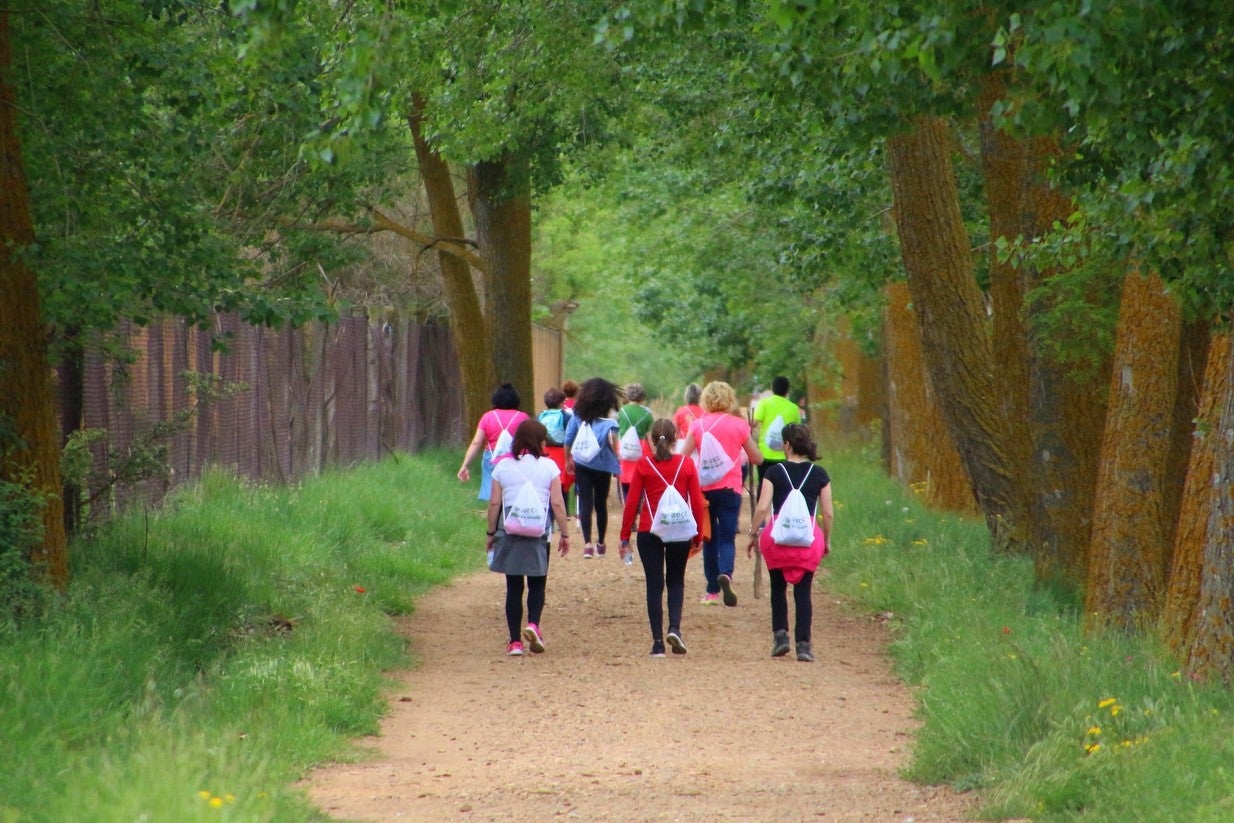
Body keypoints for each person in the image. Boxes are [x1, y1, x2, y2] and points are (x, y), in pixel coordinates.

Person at [746, 423, 833, 662]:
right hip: (808, 541)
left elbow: (763, 507)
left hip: (778, 540)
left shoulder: (774, 472)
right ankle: (804, 645)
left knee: (777, 588)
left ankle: (781, 636)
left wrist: (753, 534)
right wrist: (826, 540)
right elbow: (828, 512)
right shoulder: (820, 474)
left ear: (787, 444)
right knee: (803, 593)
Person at [619, 419, 706, 657]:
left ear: (651, 439)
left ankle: (657, 642)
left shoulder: (644, 465)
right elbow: (697, 502)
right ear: (676, 438)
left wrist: (625, 535)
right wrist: (698, 533)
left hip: (650, 530)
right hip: (679, 530)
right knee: (676, 581)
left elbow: (632, 503)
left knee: (654, 584)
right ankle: (675, 628)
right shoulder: (686, 464)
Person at [486, 419, 571, 656]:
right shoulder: (549, 467)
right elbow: (557, 502)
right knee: (537, 582)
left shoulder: (502, 467)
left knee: (513, 586)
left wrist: (490, 533)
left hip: (509, 529)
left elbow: (494, 503)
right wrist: (564, 533)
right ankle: (533, 624)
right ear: (540, 442)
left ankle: (515, 642)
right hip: (538, 531)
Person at [680, 380, 762, 606]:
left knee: (709, 538)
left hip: (703, 490)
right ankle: (726, 573)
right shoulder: (738, 425)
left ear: (705, 399)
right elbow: (756, 458)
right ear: (729, 399)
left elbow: (683, 457)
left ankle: (712, 591)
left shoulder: (697, 426)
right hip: (730, 488)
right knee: (727, 537)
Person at [563, 377, 623, 559]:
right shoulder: (609, 421)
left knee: (586, 501)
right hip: (603, 465)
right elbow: (613, 442)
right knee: (600, 503)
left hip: (582, 462)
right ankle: (601, 542)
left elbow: (568, 438)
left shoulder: (577, 415)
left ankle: (587, 544)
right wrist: (617, 458)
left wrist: (568, 459)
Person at [457, 383, 529, 502]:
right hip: (517, 456)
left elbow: (476, 443)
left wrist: (465, 465)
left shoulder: (487, 417)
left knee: (489, 486)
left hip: (492, 456)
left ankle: (488, 508)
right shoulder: (523, 417)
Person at [751, 376, 803, 495]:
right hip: (785, 454)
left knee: (763, 484)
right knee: (783, 487)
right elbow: (797, 430)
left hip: (765, 454)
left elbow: (754, 423)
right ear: (787, 390)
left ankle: (762, 511)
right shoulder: (793, 408)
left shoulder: (764, 404)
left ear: (772, 388)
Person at [538, 387, 575, 523]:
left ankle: (548, 515)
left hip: (545, 451)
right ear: (561, 402)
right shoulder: (566, 416)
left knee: (546, 483)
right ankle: (563, 514)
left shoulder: (541, 415)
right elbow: (571, 435)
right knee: (561, 484)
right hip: (561, 452)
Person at [617, 383, 654, 502]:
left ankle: (628, 507)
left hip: (624, 448)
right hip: (642, 450)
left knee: (625, 480)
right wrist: (655, 454)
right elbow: (650, 437)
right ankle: (638, 504)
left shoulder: (621, 411)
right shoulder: (648, 414)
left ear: (628, 396)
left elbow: (616, 431)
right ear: (642, 397)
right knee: (640, 481)